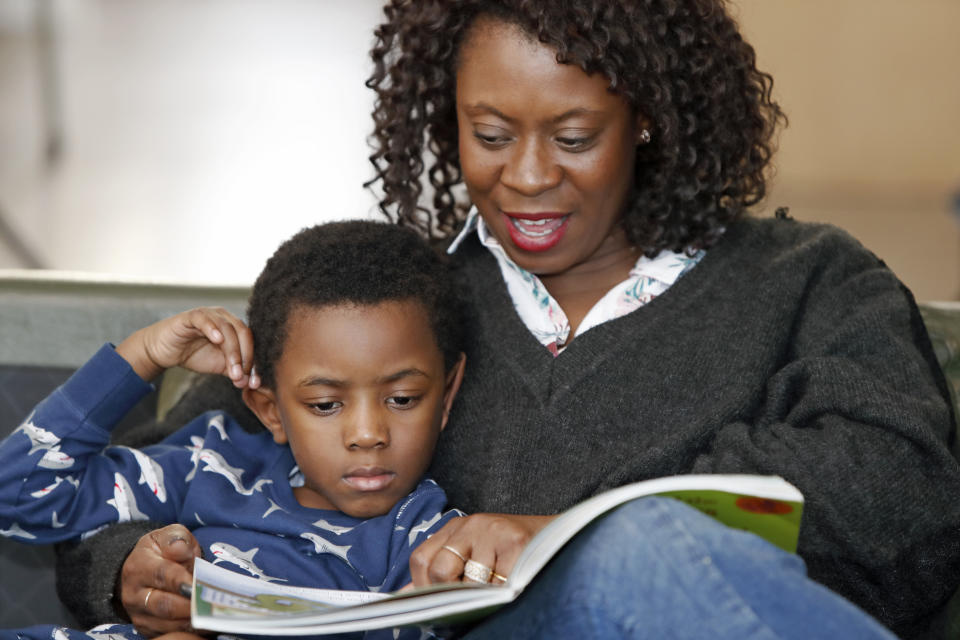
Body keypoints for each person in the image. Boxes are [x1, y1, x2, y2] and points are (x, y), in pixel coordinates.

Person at [53, 1, 960, 638]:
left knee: (644, 552)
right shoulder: (380, 304)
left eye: (573, 137)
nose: (525, 178)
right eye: (489, 135)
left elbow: (910, 507)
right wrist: (132, 570)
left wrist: (567, 530)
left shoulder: (808, 284)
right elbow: (121, 496)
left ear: (646, 119)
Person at [0, 221, 468, 640]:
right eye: (325, 404)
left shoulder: (428, 540)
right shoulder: (211, 462)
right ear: (270, 410)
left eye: (402, 399)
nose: (367, 434)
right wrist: (142, 356)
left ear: (445, 397)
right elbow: (20, 495)